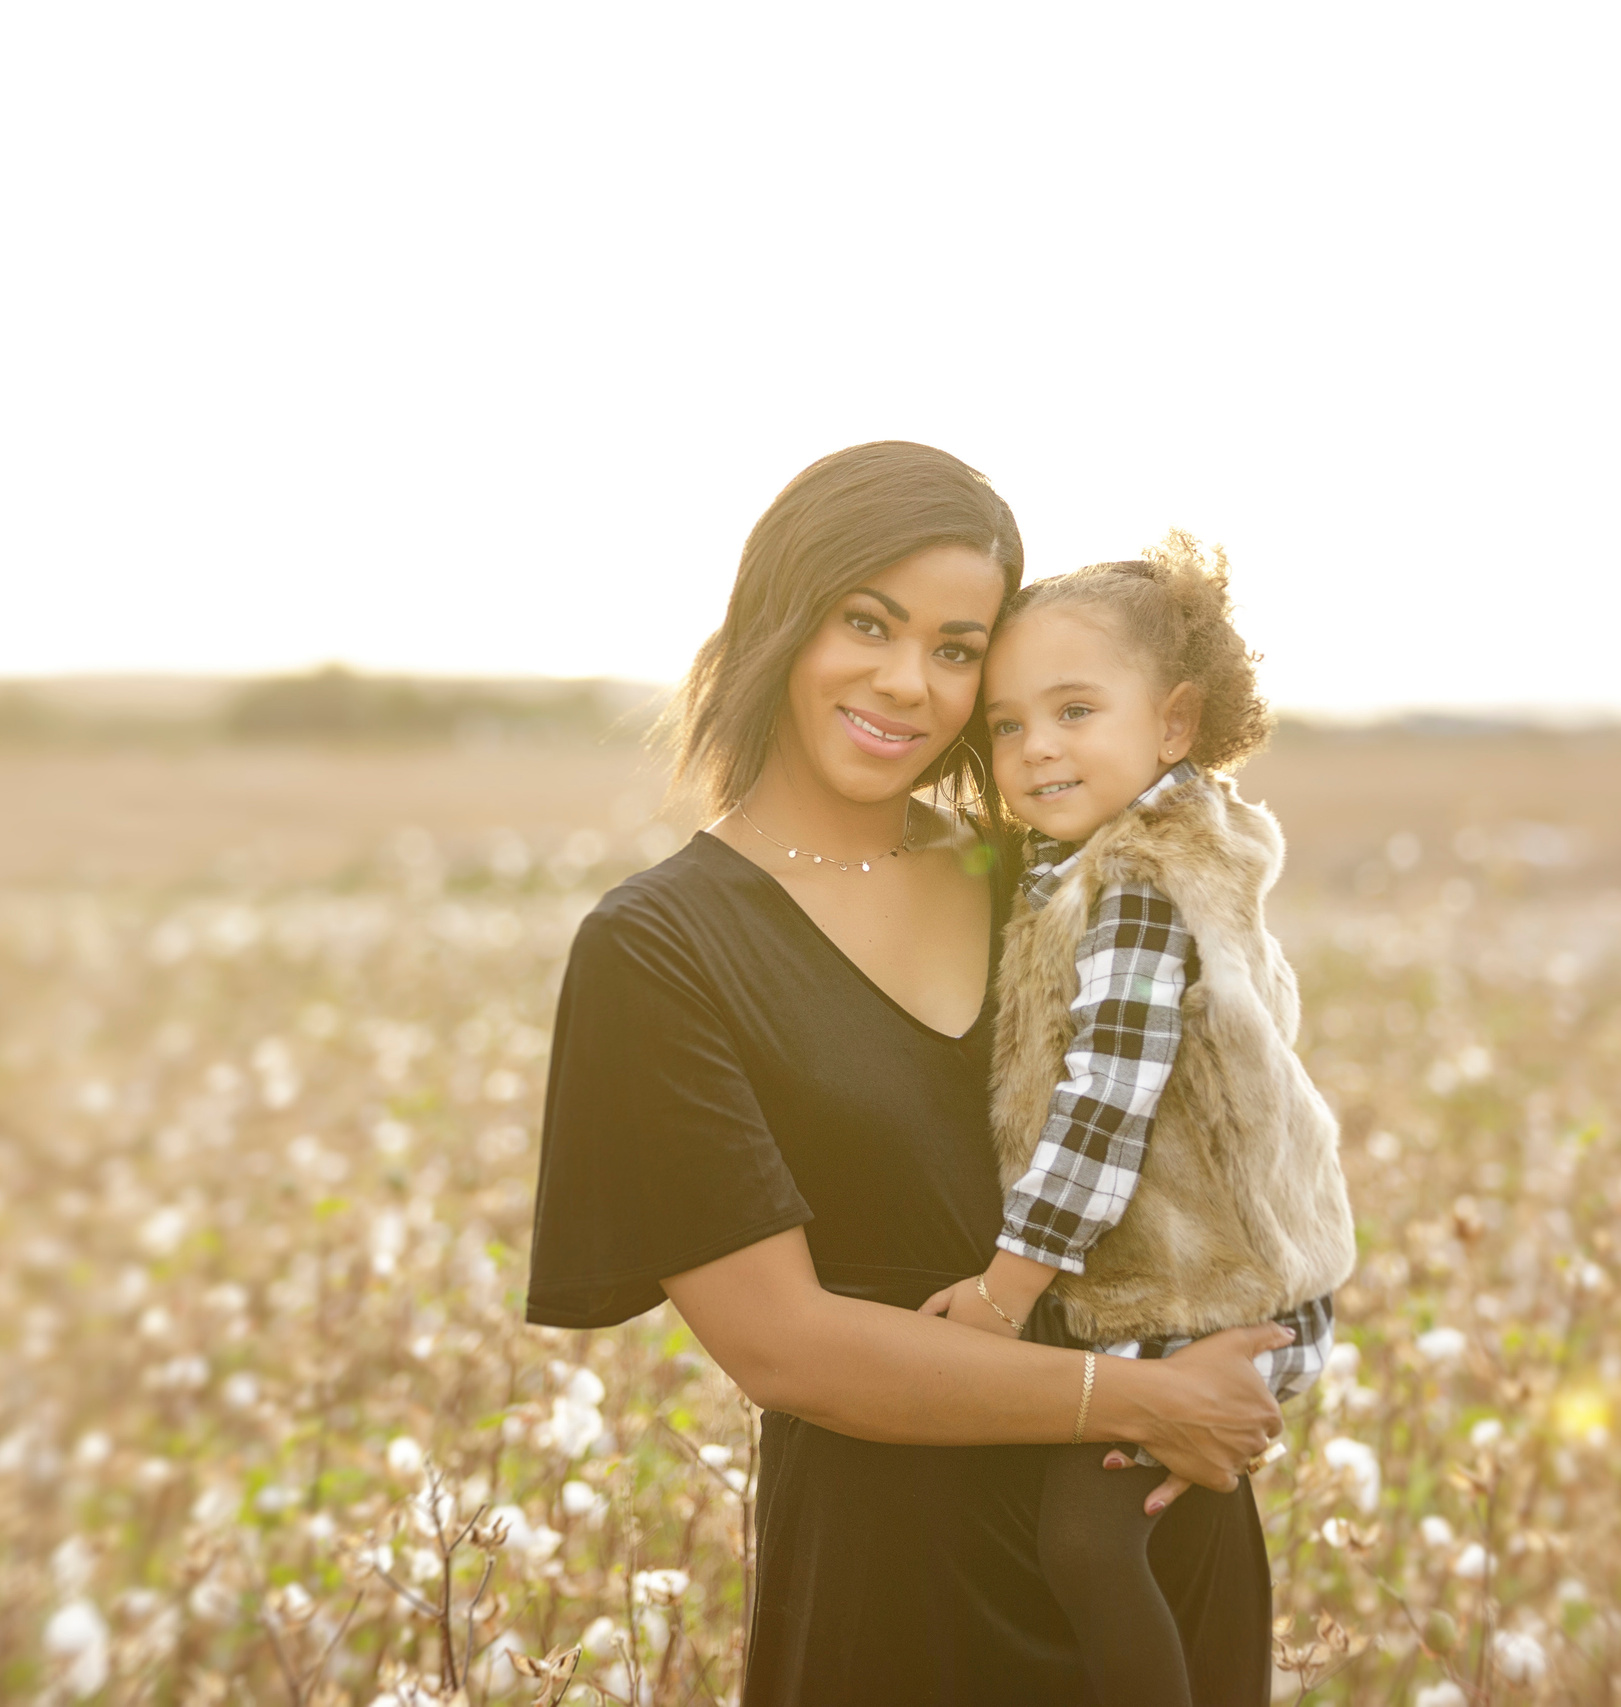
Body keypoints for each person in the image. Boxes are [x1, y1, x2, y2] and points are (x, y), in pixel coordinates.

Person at [522, 444, 1292, 1706]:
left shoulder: (1040, 875)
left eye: (955, 648)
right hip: (902, 1586)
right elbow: (784, 1348)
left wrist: (1220, 1371)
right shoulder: (658, 948)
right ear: (779, 618)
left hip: (1150, 1540)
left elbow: (1214, 1125)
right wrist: (1141, 1399)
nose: (906, 684)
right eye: (866, 624)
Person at [918, 533, 1357, 1707]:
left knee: (1084, 1546)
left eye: (1074, 710)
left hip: (1196, 1301)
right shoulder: (1132, 859)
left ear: (1173, 724)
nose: (1036, 747)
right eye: (1007, 725)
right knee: (1099, 1544)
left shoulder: (1136, 885)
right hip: (1224, 1285)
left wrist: (1004, 1294)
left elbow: (1104, 1105)